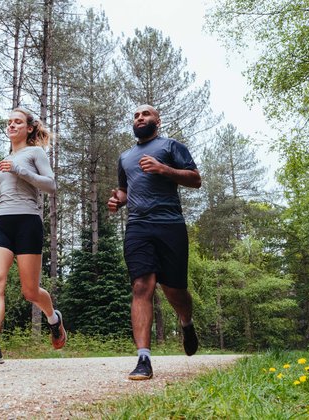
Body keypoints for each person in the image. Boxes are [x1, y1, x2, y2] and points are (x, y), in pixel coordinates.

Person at [107, 104, 202, 380]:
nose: (140, 118)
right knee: (141, 285)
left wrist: (163, 169)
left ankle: (186, 322)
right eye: (136, 115)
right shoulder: (125, 157)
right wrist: (117, 201)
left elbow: (196, 179)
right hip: (138, 225)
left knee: (175, 292)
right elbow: (125, 191)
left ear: (157, 120)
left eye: (145, 114)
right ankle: (143, 359)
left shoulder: (171, 146)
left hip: (170, 224)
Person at [0, 107, 66, 369]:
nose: (11, 125)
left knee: (30, 291)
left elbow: (51, 185)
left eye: (18, 122)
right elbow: (12, 189)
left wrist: (21, 171)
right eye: (9, 122)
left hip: (28, 223)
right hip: (3, 222)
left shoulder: (35, 153)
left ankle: (53, 318)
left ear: (29, 128)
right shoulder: (5, 158)